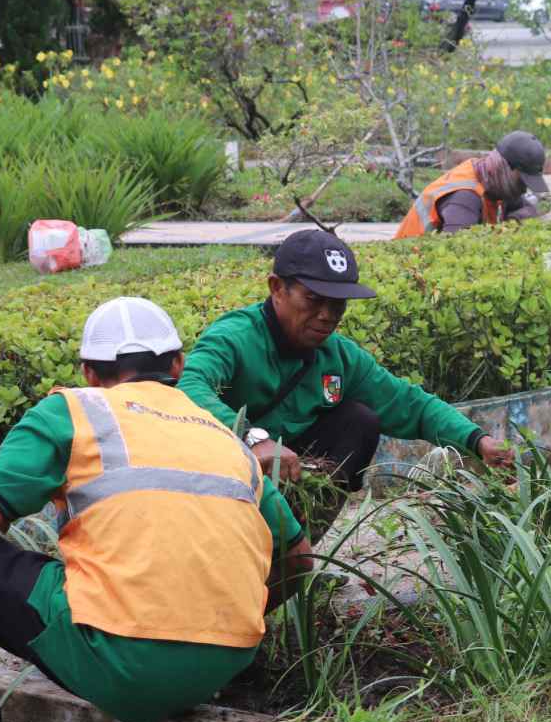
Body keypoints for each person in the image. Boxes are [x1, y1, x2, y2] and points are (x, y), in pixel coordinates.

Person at [0, 297, 311, 722]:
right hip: (220, 664)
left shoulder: (74, 411)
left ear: (88, 372)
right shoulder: (227, 439)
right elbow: (298, 558)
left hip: (125, 668)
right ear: (178, 366)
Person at [179, 230, 514, 542]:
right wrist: (252, 438)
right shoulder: (235, 338)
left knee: (359, 420)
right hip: (218, 475)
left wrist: (477, 440)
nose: (327, 315)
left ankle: (295, 553)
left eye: (337, 304)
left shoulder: (338, 356)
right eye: (313, 299)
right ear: (277, 288)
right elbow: (189, 385)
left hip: (291, 471)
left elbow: (406, 402)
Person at [393, 130, 549, 239]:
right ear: (507, 168)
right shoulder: (465, 197)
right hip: (407, 268)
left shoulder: (492, 178)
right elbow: (457, 253)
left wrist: (516, 219)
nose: (525, 188)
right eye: (523, 179)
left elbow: (526, 209)